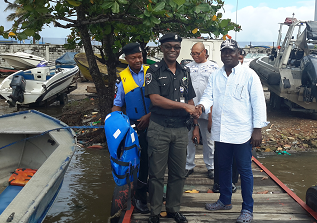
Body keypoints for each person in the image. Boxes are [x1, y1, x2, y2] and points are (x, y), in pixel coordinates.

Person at [196, 39, 269, 223]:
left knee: (245, 171)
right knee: (223, 167)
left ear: (238, 53)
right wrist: (201, 107)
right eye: (224, 52)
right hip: (221, 131)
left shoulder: (249, 75)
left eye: (231, 51)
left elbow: (258, 103)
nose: (227, 54)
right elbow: (208, 96)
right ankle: (225, 200)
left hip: (242, 131)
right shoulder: (216, 76)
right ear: (220, 55)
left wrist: (257, 129)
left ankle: (247, 208)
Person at [144, 33, 198, 223]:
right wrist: (185, 106)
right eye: (168, 47)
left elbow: (190, 98)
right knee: (156, 174)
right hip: (159, 129)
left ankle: (174, 209)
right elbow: (156, 99)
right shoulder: (153, 71)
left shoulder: (185, 71)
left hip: (181, 130)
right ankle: (155, 212)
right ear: (162, 48)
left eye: (176, 47)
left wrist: (195, 117)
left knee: (178, 173)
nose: (173, 50)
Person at [112, 42, 151, 214]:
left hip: (155, 121)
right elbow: (117, 105)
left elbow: (163, 98)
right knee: (140, 163)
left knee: (156, 161)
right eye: (133, 58)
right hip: (136, 126)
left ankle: (154, 192)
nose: (138, 60)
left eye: (140, 57)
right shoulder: (122, 78)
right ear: (126, 59)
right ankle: (141, 197)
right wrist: (116, 129)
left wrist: (150, 116)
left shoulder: (152, 71)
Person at [185, 42, 218, 179]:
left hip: (207, 109)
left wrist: (211, 115)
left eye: (197, 53)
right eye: (192, 53)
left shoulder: (214, 68)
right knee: (189, 139)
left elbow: (215, 92)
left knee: (209, 139)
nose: (195, 56)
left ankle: (211, 166)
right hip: (190, 108)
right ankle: (189, 165)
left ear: (205, 52)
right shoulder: (187, 68)